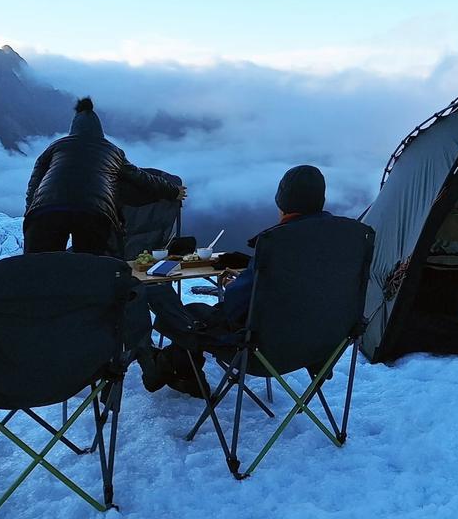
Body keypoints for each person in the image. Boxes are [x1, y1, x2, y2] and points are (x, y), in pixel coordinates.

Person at [143, 165, 331, 394]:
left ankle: (169, 367)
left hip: (261, 350)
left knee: (191, 314)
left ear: (282, 202)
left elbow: (235, 305)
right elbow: (295, 288)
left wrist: (236, 285)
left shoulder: (279, 244)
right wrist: (250, 276)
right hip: (319, 346)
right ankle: (179, 370)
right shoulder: (343, 243)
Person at [24, 97, 186, 256]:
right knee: (92, 271)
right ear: (99, 130)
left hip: (46, 211)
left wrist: (29, 213)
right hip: (93, 213)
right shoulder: (112, 151)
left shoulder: (56, 147)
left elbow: (34, 183)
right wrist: (172, 191)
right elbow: (142, 179)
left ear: (73, 129)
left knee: (39, 269)